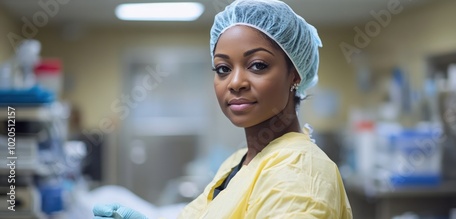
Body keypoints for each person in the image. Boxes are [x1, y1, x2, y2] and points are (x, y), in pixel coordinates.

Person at [93, 0, 352, 218]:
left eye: (258, 65)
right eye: (223, 69)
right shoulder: (240, 162)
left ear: (294, 74)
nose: (235, 82)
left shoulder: (300, 173)